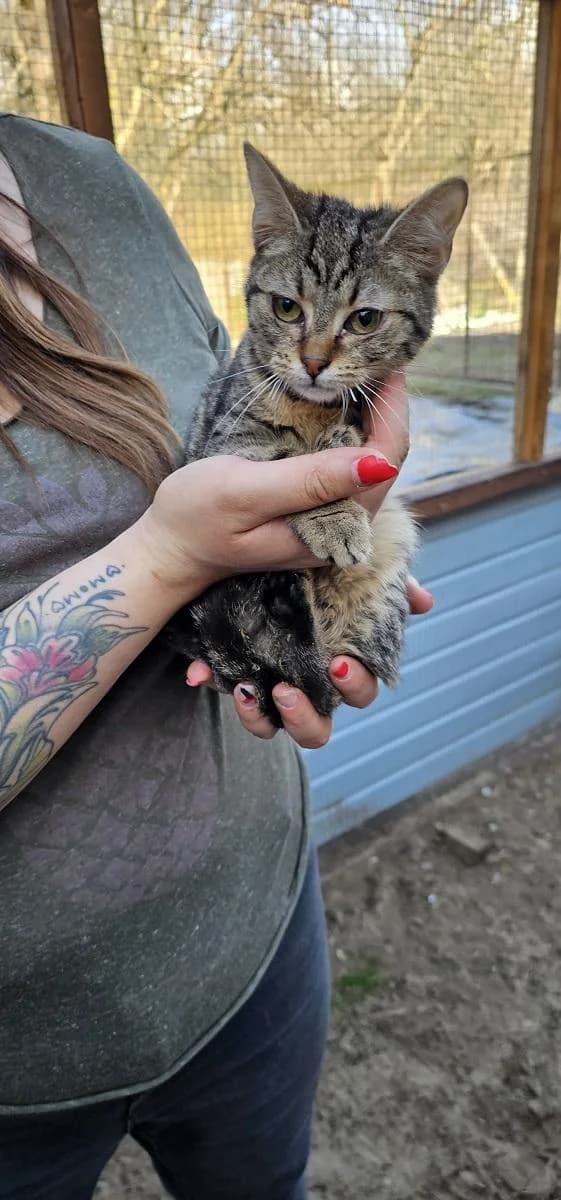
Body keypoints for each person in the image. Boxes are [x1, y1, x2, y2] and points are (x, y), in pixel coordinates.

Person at [0, 113, 432, 1200]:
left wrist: (352, 468)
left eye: (349, 325)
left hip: (260, 929)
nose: (314, 347)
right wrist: (166, 556)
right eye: (292, 312)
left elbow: (229, 392)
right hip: (25, 1056)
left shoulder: (88, 179)